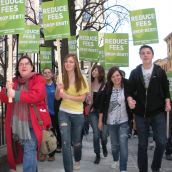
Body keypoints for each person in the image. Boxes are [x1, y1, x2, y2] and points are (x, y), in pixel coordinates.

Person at [0, 56, 51, 172]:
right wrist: (6, 91)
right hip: (18, 125)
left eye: (26, 64)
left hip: (34, 123)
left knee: (29, 149)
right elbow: (4, 98)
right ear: (18, 68)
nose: (23, 66)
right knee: (30, 151)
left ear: (32, 66)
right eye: (20, 64)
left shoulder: (38, 79)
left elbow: (37, 95)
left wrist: (16, 94)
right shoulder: (13, 81)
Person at [127, 45, 171, 172]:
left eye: (148, 53)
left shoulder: (159, 71)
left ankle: (155, 167)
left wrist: (167, 102)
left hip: (157, 111)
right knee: (142, 145)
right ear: (140, 56)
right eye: (143, 53)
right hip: (141, 113)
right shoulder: (135, 72)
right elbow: (129, 91)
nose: (145, 55)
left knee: (162, 142)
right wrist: (130, 100)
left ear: (152, 55)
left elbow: (165, 88)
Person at [55, 54, 89, 172]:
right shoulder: (60, 77)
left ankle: (77, 159)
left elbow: (83, 99)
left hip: (78, 114)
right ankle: (68, 170)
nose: (68, 64)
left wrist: (67, 96)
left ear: (75, 65)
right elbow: (57, 98)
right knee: (65, 143)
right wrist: (58, 90)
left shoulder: (82, 78)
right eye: (66, 61)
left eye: (71, 62)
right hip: (63, 112)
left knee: (76, 143)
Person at [99, 67, 132, 172]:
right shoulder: (107, 88)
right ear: (110, 78)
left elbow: (133, 99)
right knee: (114, 146)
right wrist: (100, 121)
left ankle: (123, 169)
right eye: (113, 76)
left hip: (124, 121)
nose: (116, 78)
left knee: (123, 145)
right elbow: (102, 106)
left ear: (121, 75)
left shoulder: (127, 86)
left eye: (117, 75)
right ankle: (115, 159)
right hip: (111, 122)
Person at [39, 68, 62, 161]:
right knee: (44, 133)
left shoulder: (56, 85)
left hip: (55, 113)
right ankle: (44, 152)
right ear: (43, 75)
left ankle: (52, 152)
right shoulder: (41, 86)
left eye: (49, 73)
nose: (47, 74)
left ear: (52, 74)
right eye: (45, 73)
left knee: (53, 132)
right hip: (43, 113)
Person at [88, 64, 108, 164]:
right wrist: (88, 102)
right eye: (93, 70)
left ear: (100, 72)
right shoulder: (89, 84)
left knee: (103, 136)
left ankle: (104, 146)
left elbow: (106, 102)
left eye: (95, 70)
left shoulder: (105, 85)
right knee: (96, 134)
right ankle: (97, 154)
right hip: (93, 112)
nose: (93, 72)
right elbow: (88, 101)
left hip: (103, 112)